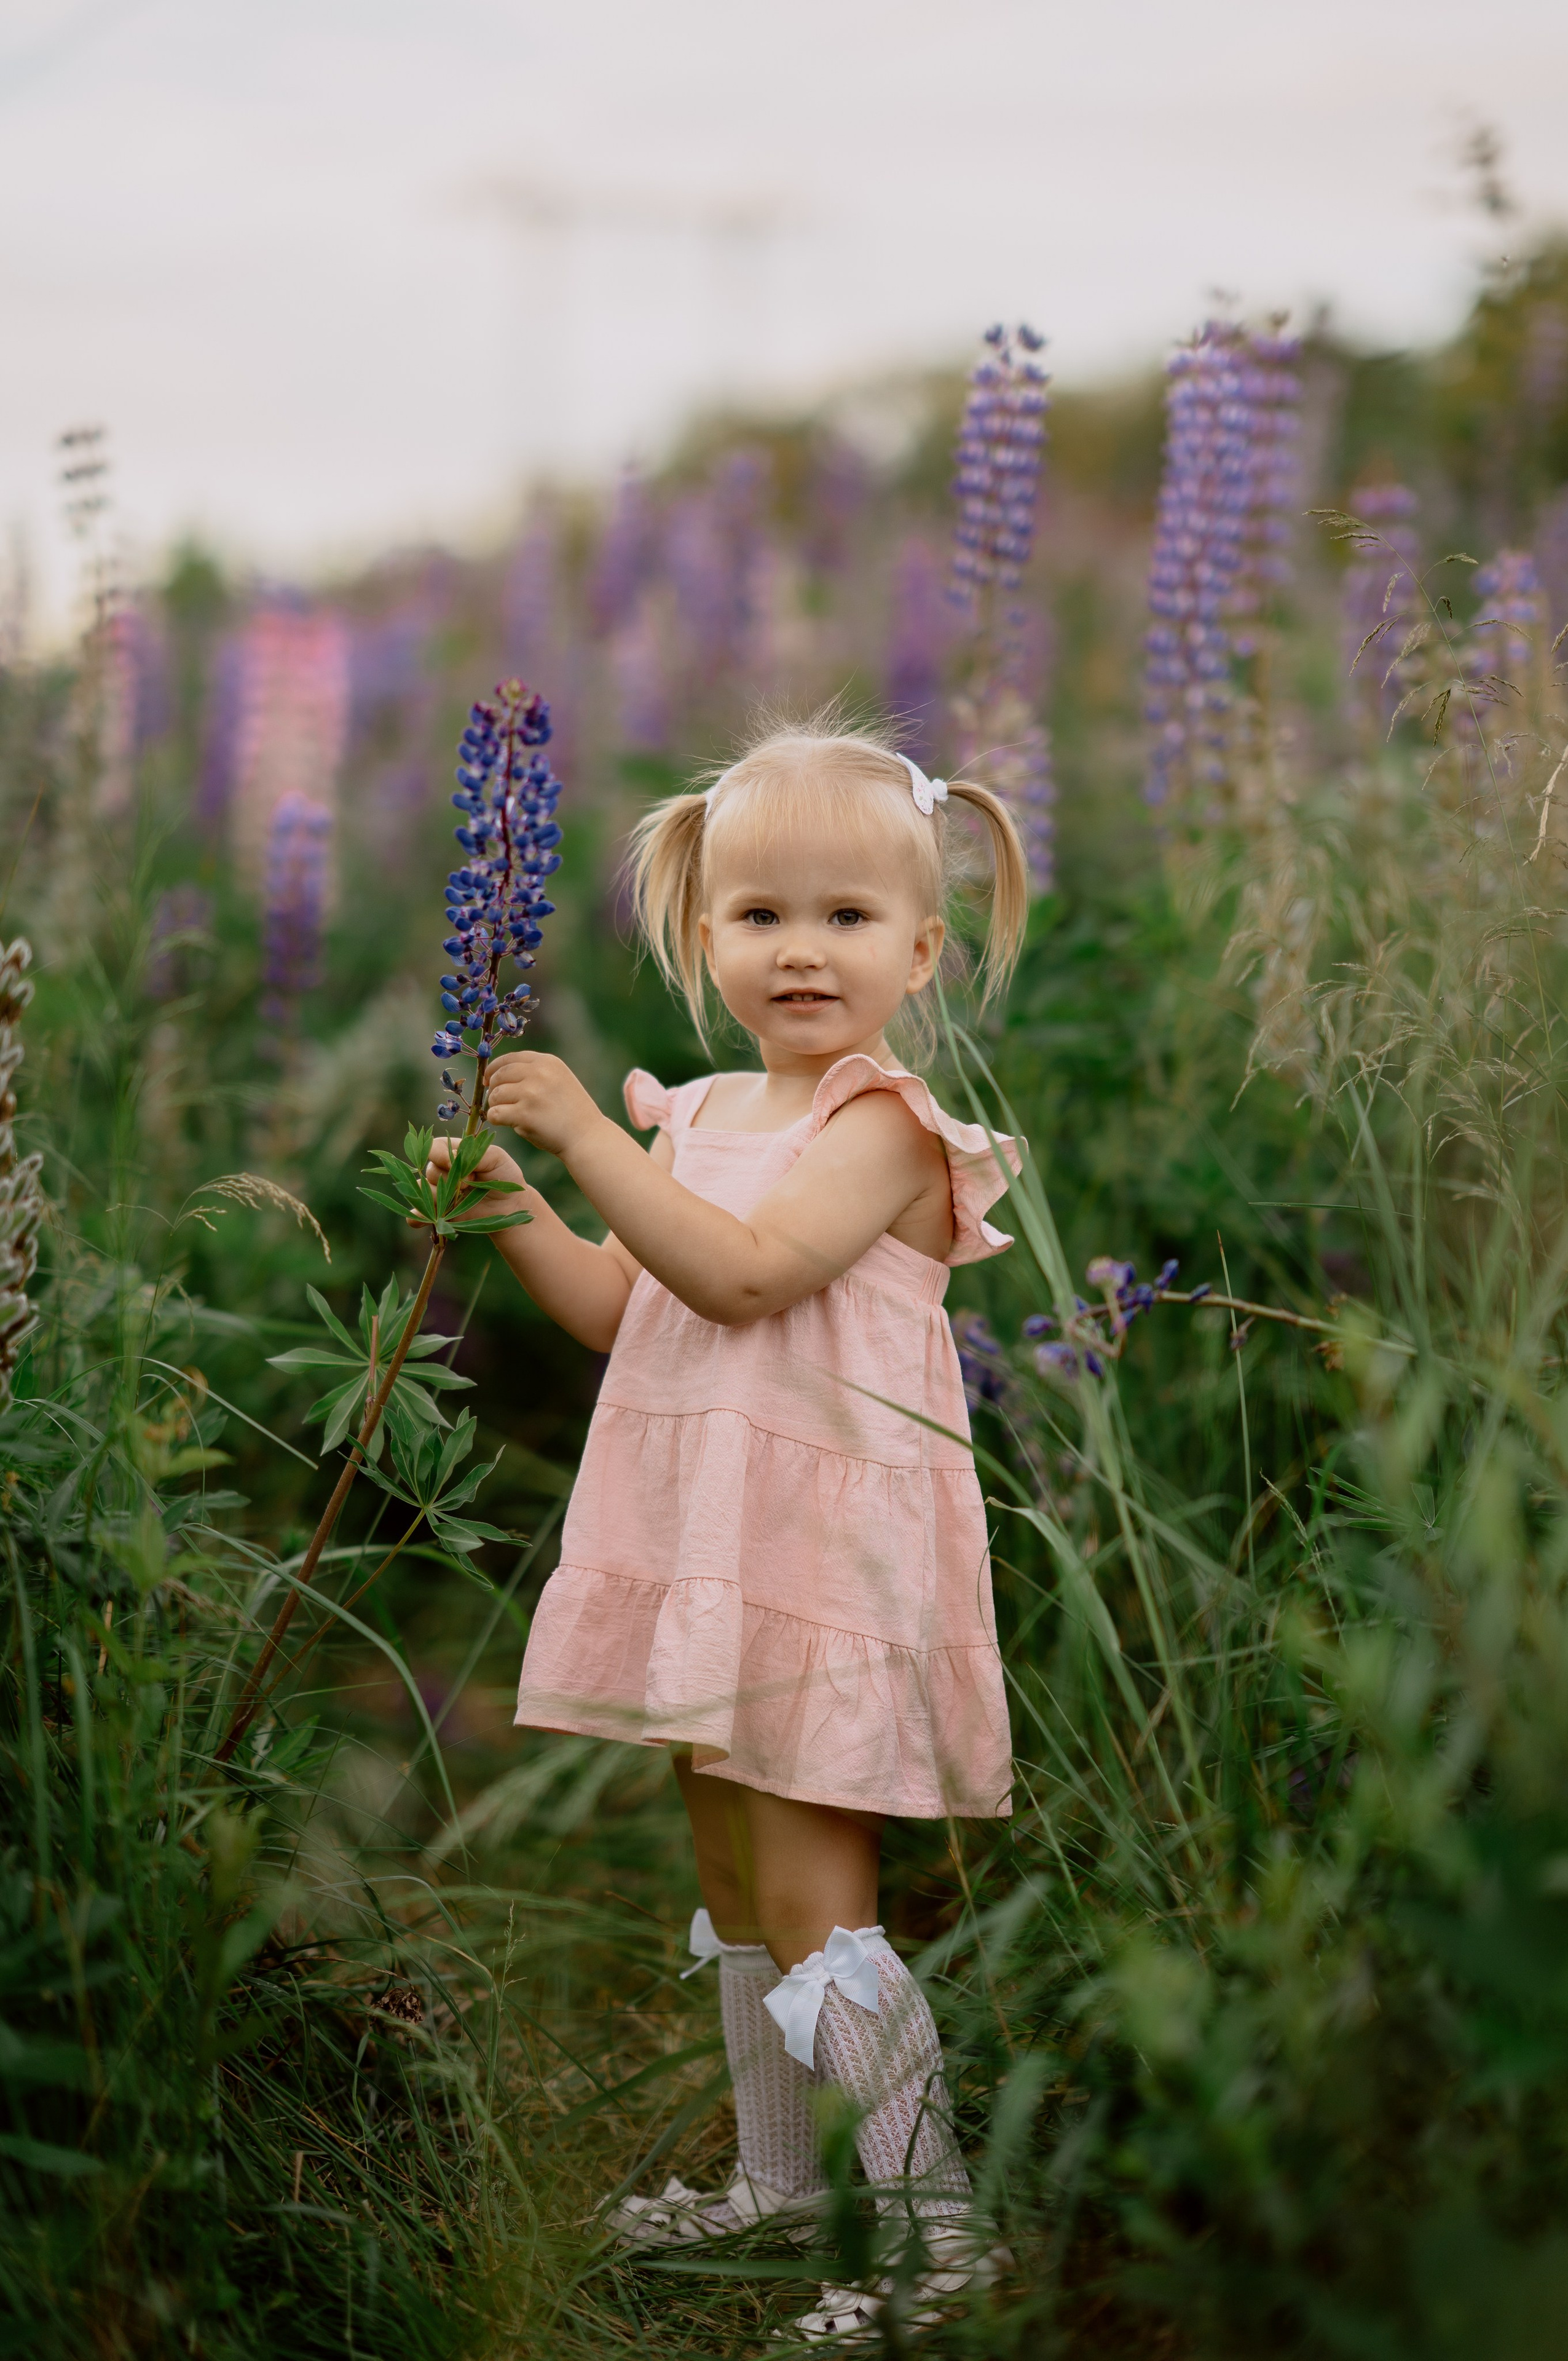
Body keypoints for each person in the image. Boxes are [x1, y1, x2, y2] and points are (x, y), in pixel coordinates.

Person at [428, 719, 1026, 2339]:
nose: (802, 949)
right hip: (716, 1553)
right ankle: (778, 2183)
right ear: (706, 936)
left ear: (923, 947)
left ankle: (934, 2244)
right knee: (735, 1882)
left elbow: (748, 1276)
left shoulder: (889, 1130)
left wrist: (584, 1142)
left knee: (821, 1896)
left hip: (825, 1572)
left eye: (846, 917)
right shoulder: (693, 1122)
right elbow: (637, 1308)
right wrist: (530, 1211)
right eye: (762, 913)